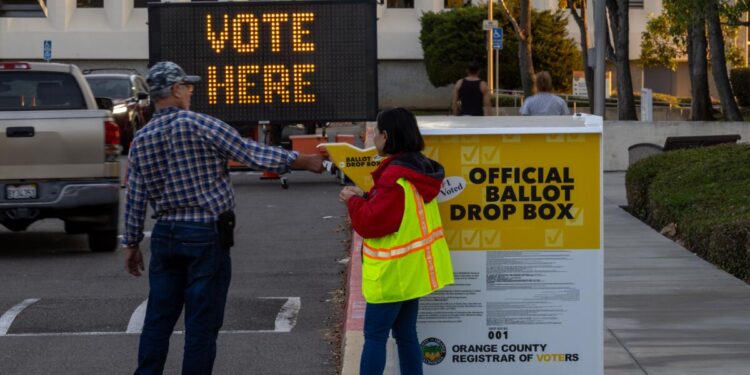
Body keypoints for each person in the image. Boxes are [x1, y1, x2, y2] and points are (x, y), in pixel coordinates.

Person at [122, 61, 324, 375]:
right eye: (187, 87)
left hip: (164, 235)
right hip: (205, 233)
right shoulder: (201, 124)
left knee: (158, 320)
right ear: (175, 90)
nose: (190, 92)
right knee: (201, 323)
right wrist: (301, 160)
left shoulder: (141, 140)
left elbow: (135, 197)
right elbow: (250, 153)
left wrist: (132, 243)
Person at [339, 108, 454, 375]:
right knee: (406, 335)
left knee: (375, 337)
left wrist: (353, 200)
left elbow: (371, 223)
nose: (374, 139)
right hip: (413, 272)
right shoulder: (419, 169)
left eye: (376, 133)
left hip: (391, 276)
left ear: (386, 136)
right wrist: (367, 195)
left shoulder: (394, 178)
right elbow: (397, 212)